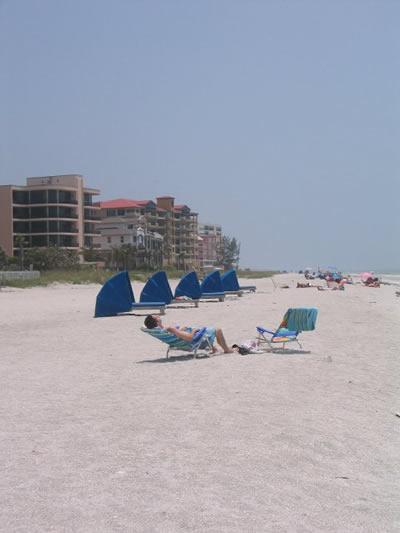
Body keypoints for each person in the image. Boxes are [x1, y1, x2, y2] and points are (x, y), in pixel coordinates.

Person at [144, 315, 233, 354]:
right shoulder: (169, 329)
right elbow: (190, 338)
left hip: (183, 341)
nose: (158, 316)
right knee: (218, 330)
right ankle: (226, 350)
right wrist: (193, 330)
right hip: (191, 343)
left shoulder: (162, 331)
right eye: (156, 316)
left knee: (204, 332)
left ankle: (215, 349)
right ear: (156, 321)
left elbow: (177, 335)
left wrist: (181, 330)